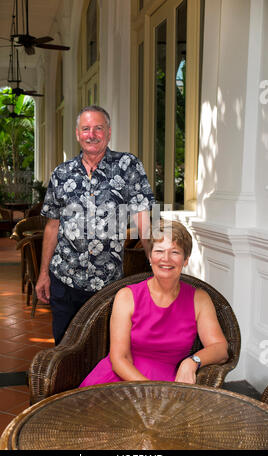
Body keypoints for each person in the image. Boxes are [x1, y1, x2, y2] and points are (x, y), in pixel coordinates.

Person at [36, 105, 155, 345]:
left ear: (108, 133)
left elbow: (145, 219)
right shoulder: (62, 173)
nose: (92, 134)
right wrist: (43, 274)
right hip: (65, 278)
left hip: (108, 282)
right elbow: (52, 226)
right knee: (64, 348)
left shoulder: (128, 166)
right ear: (78, 134)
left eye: (98, 128)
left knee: (105, 349)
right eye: (86, 129)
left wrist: (156, 262)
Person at [79, 220, 229, 387]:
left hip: (168, 383)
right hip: (119, 379)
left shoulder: (199, 299)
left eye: (175, 252)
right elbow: (119, 359)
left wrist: (192, 362)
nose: (166, 259)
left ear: (186, 259)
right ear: (150, 257)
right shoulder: (127, 296)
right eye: (159, 251)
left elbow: (220, 348)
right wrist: (151, 389)